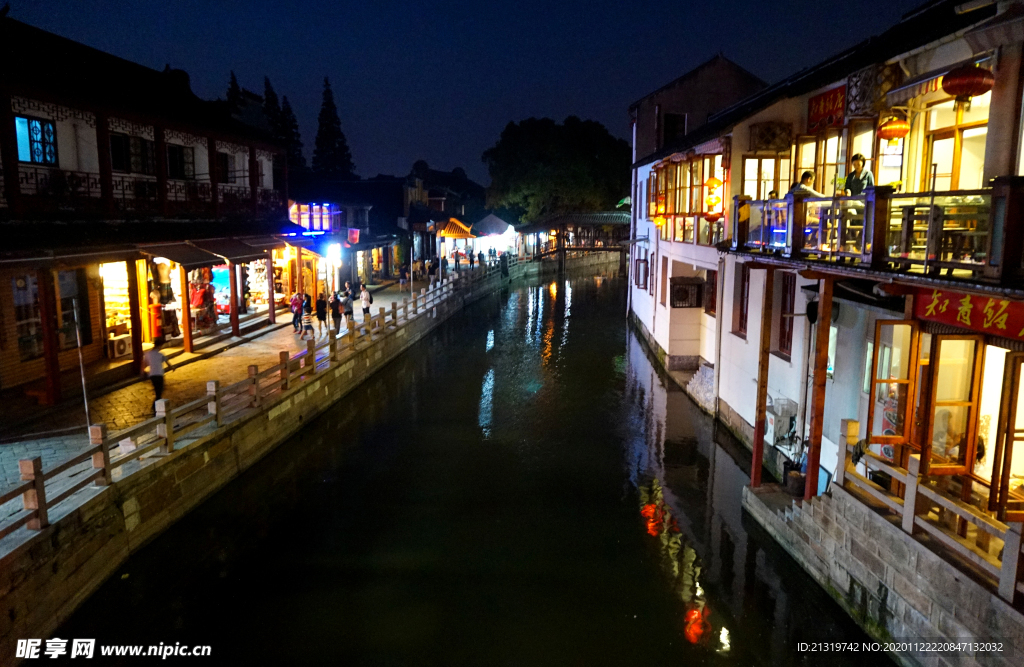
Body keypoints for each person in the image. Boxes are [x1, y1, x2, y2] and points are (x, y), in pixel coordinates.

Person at [141, 338, 172, 414]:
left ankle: (156, 406)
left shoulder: (148, 354)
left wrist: (142, 372)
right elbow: (168, 363)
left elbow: (144, 364)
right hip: (159, 374)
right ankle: (156, 407)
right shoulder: (160, 355)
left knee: (157, 391)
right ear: (160, 345)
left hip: (152, 375)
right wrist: (172, 367)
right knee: (159, 391)